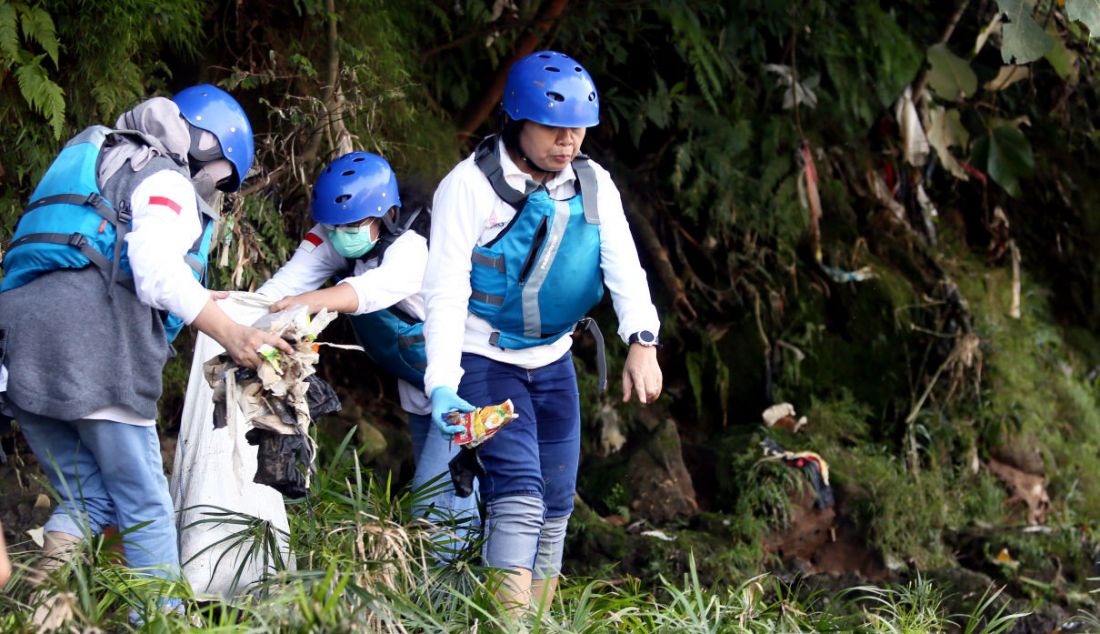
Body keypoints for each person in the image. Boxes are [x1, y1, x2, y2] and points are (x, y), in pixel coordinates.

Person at [0, 84, 292, 594]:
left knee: (90, 494)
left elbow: (103, 248)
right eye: (223, 177)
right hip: (91, 351)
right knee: (146, 503)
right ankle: (162, 623)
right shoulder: (169, 178)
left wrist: (202, 297)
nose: (216, 192)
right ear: (206, 147)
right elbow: (154, 270)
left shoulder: (107, 155)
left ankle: (41, 609)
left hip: (19, 344)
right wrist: (232, 333)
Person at [423, 50, 663, 612]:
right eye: (554, 128)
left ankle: (536, 622)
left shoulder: (594, 182)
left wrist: (642, 341)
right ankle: (507, 624)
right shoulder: (469, 186)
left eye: (578, 129)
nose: (569, 142)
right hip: (482, 357)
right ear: (518, 120)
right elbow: (444, 290)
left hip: (553, 360)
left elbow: (623, 263)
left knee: (556, 504)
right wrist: (441, 381)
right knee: (520, 497)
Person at [256, 151, 478, 549]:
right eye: (334, 225)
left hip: (463, 382)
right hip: (418, 383)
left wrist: (308, 302)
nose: (341, 233)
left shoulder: (415, 245)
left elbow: (367, 292)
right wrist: (231, 317)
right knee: (445, 502)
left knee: (438, 509)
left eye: (353, 225)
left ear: (386, 213)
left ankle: (458, 602)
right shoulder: (334, 235)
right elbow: (280, 289)